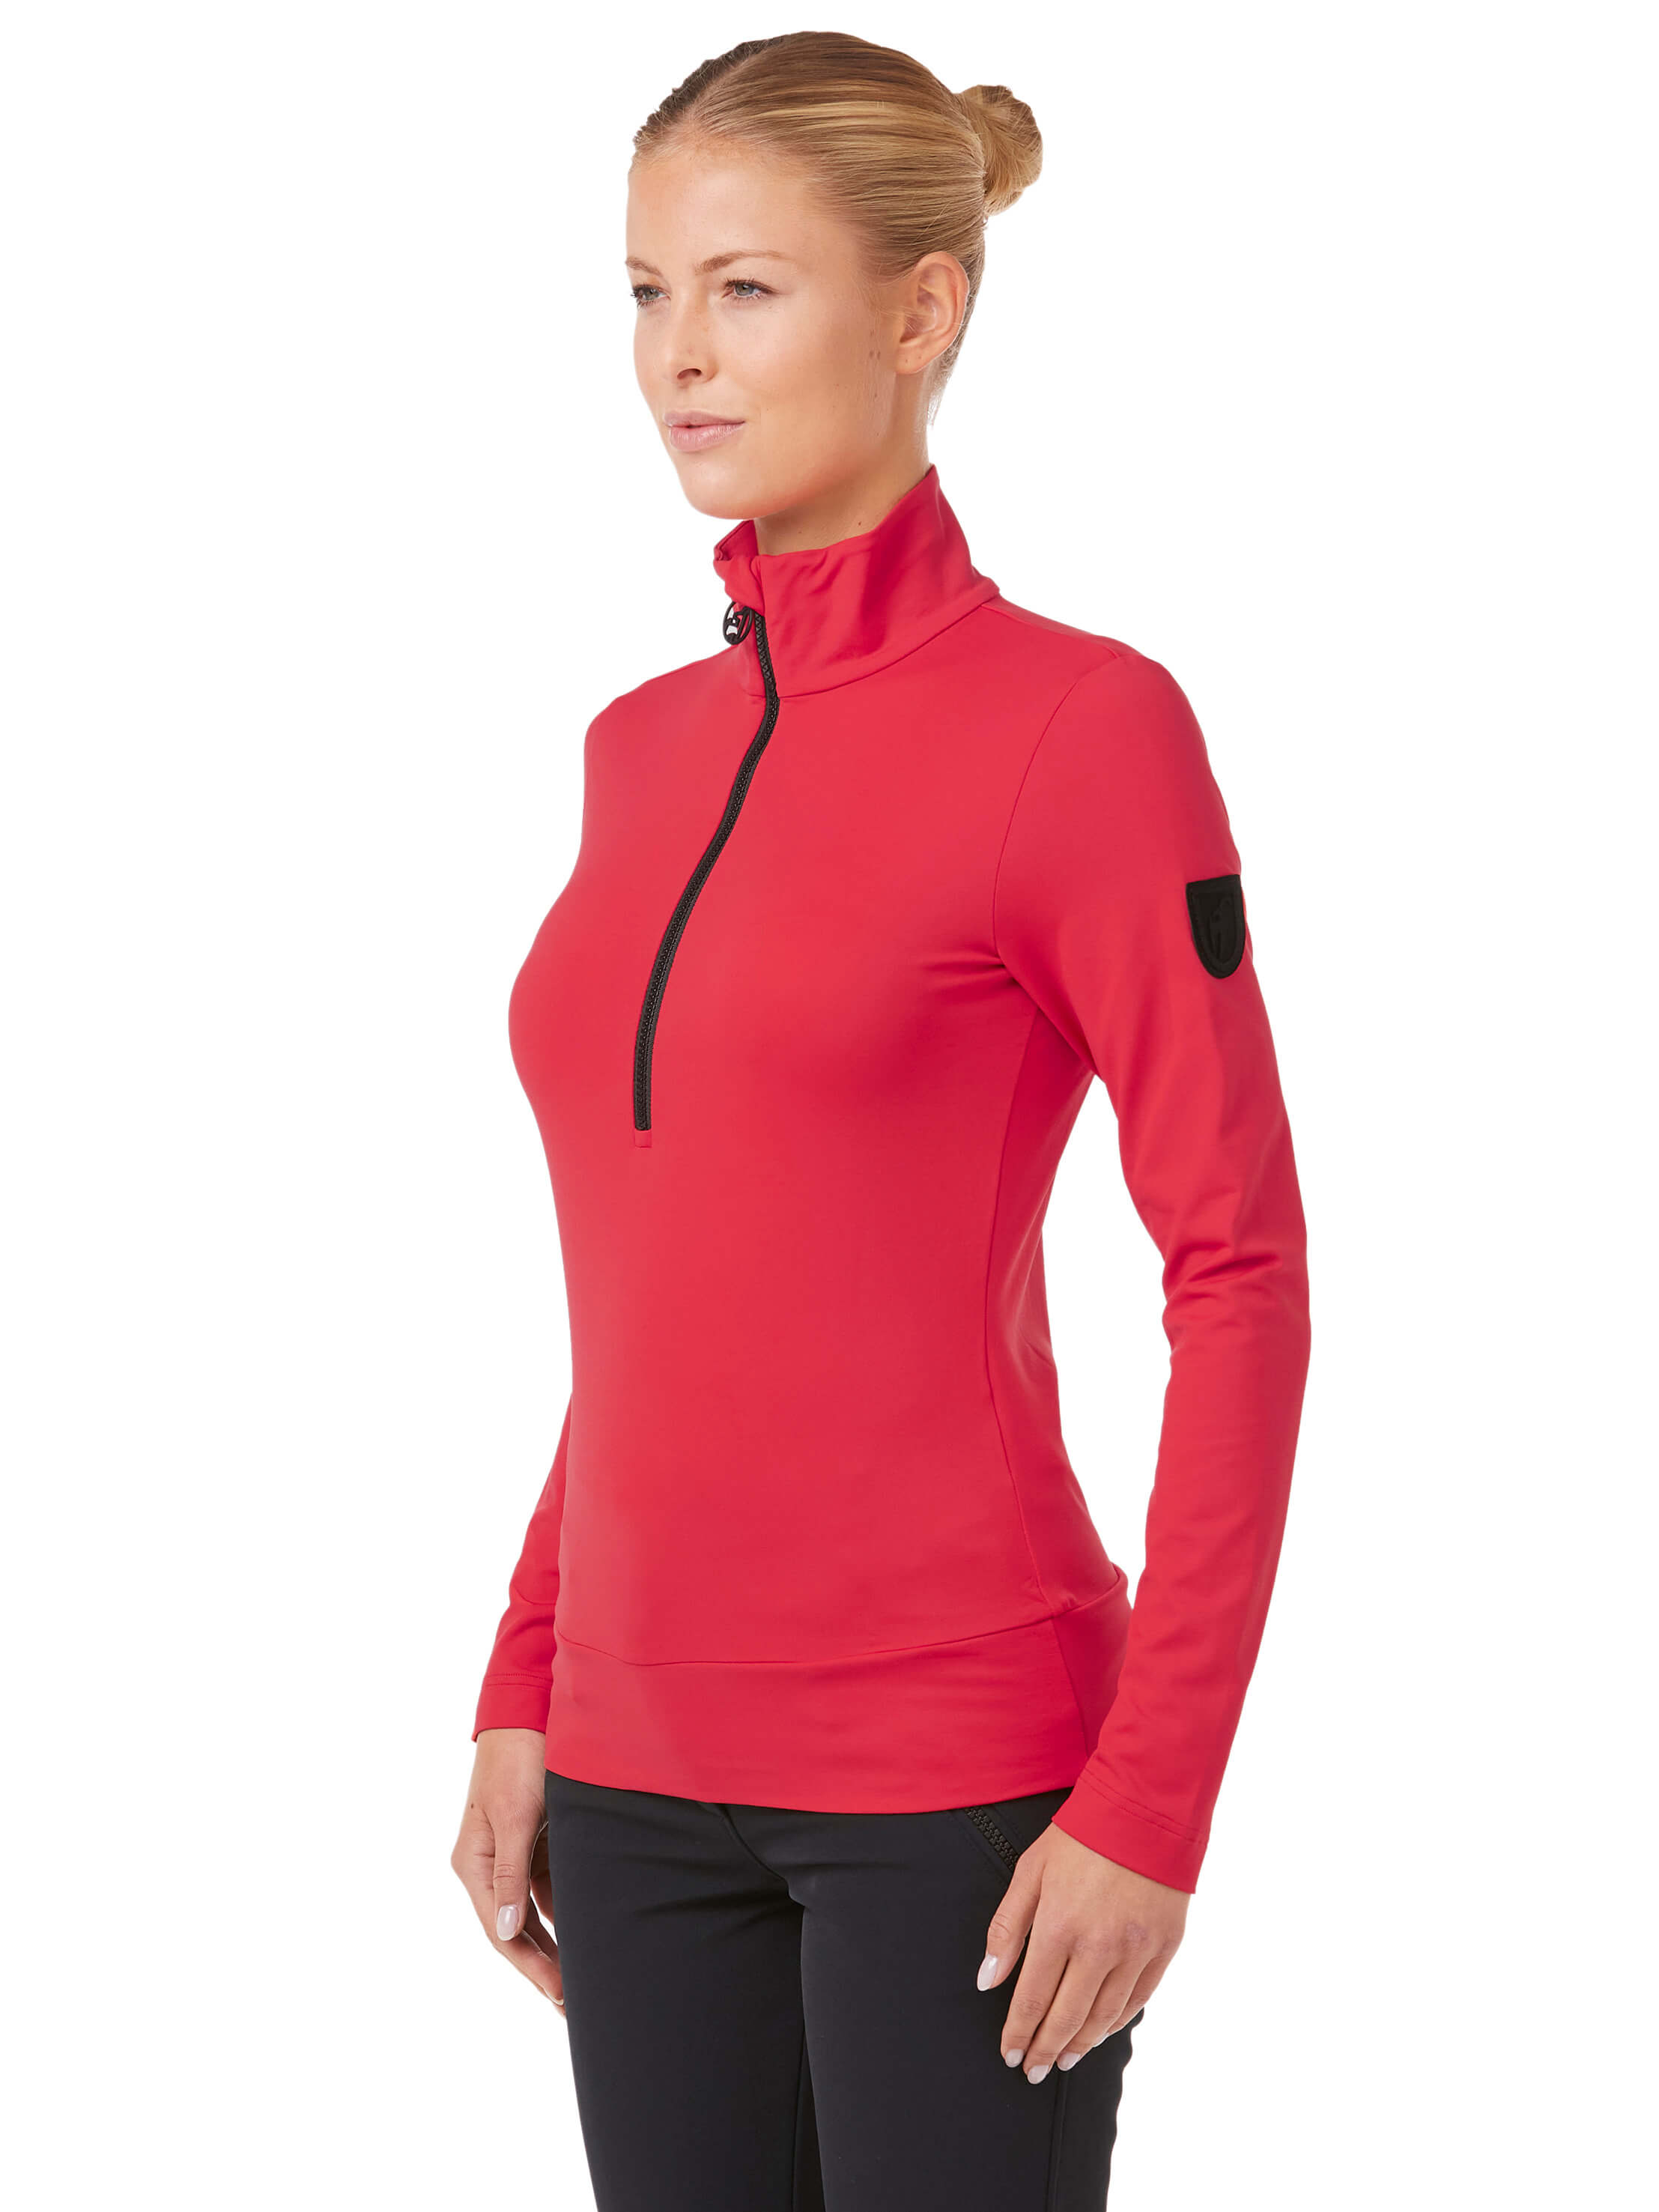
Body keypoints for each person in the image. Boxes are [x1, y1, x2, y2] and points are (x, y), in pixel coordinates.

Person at [450, 29, 1311, 2210]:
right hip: (632, 1778)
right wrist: (529, 1672)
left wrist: (1153, 1800)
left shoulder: (1081, 729)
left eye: (746, 289)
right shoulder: (636, 749)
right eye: (646, 291)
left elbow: (1240, 1271)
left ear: (925, 309)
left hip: (960, 1789)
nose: (676, 356)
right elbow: (665, 1285)